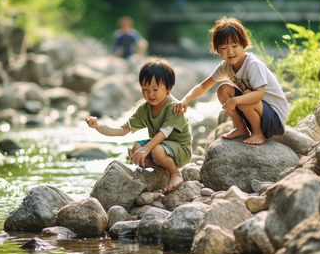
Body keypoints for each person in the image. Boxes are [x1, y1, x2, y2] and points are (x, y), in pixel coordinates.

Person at [174, 17, 288, 145]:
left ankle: (258, 133)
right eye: (224, 48)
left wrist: (235, 100)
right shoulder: (225, 67)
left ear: (244, 45)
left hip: (274, 119)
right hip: (257, 112)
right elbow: (203, 86)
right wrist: (186, 99)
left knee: (245, 97)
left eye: (235, 46)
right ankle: (241, 128)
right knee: (223, 89)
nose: (230, 52)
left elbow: (259, 94)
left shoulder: (252, 65)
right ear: (217, 49)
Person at [85, 58, 192, 192]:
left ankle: (175, 173)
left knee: (155, 149)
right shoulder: (145, 108)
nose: (150, 94)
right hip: (159, 147)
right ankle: (160, 172)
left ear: (169, 88)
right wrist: (98, 126)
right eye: (145, 89)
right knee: (135, 148)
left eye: (155, 89)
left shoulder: (173, 107)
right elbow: (122, 130)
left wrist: (146, 149)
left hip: (180, 149)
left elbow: (164, 133)